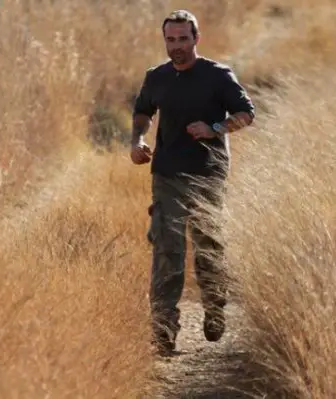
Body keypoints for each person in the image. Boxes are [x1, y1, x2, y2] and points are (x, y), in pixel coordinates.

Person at [130, 9, 255, 357]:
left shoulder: (217, 76)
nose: (177, 47)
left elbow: (247, 114)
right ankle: (164, 331)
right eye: (171, 40)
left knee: (208, 250)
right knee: (167, 253)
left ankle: (215, 309)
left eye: (184, 39)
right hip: (167, 175)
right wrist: (137, 140)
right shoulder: (156, 76)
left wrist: (214, 129)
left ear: (196, 39)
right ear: (165, 40)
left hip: (207, 174)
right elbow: (143, 111)